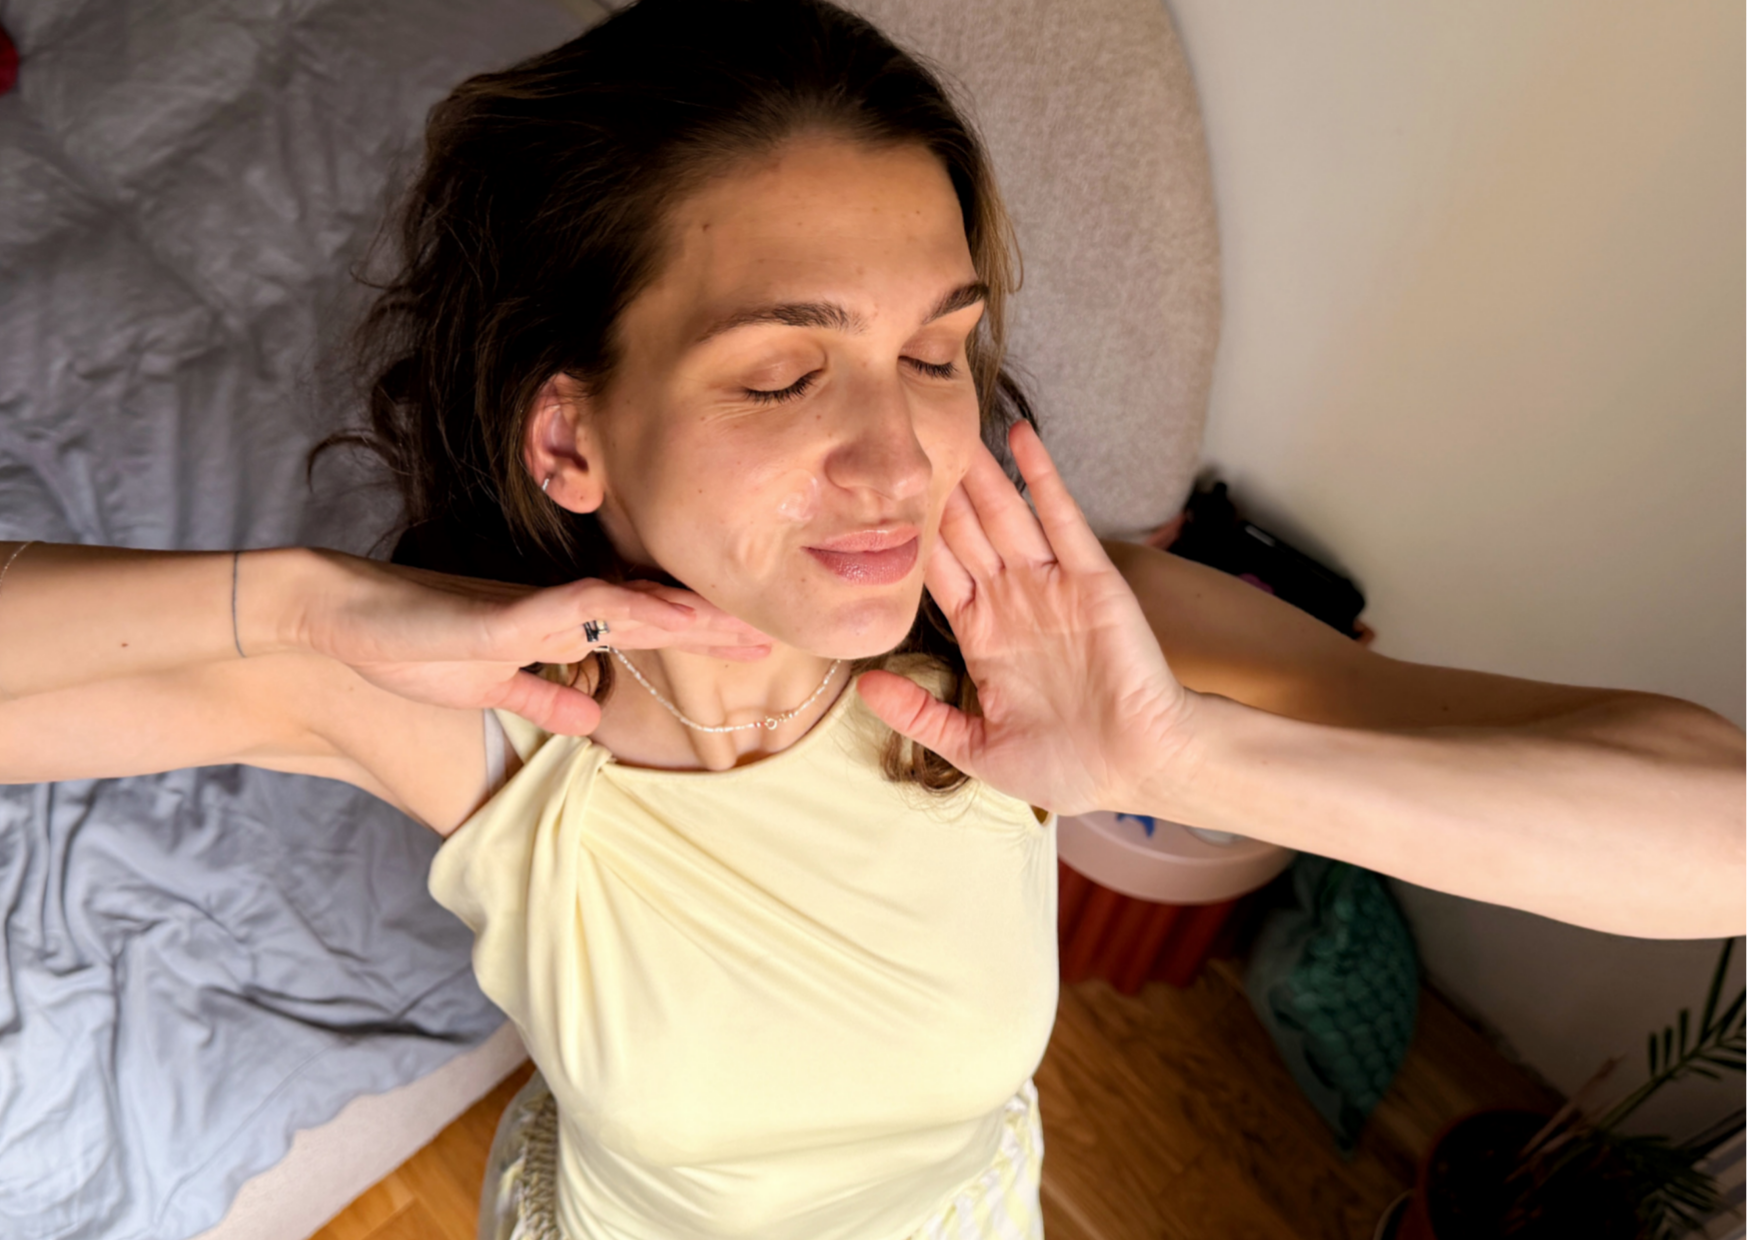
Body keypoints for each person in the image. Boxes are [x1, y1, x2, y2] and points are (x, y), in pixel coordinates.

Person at [0, 0, 1740, 1236]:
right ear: (570, 436)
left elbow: (1719, 838)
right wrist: (307, 605)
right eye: (781, 369)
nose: (902, 451)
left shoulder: (1050, 640)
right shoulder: (482, 712)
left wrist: (1201, 757)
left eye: (935, 352)